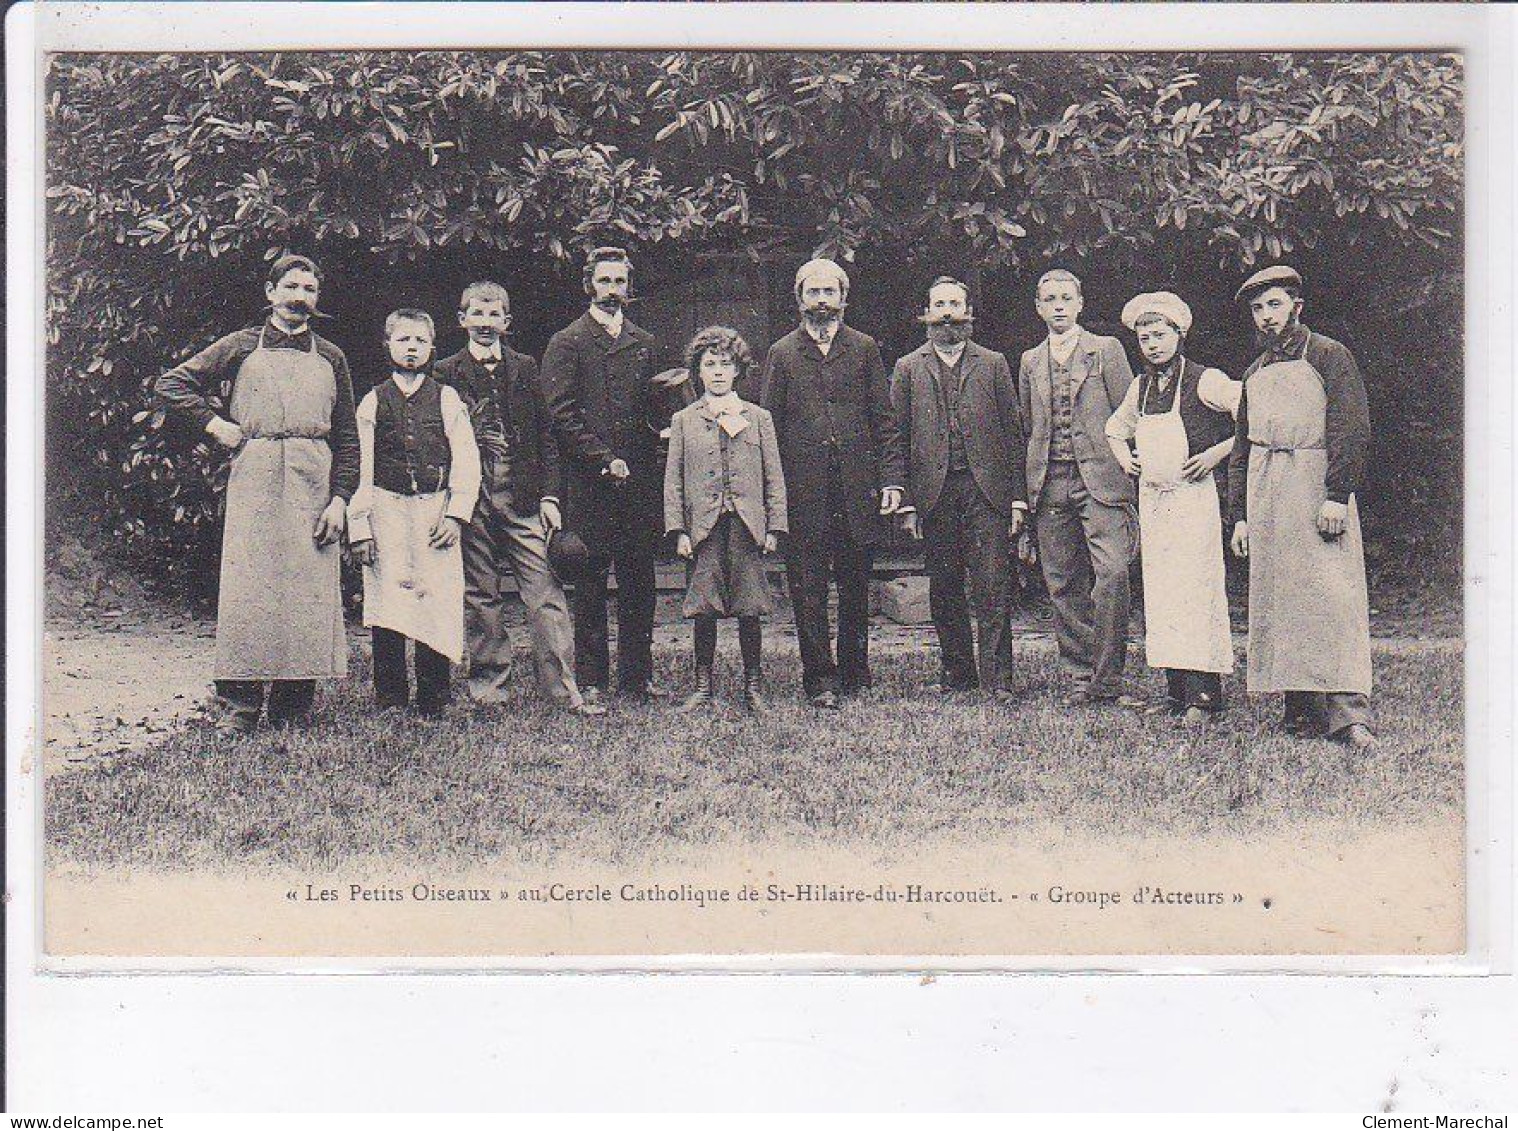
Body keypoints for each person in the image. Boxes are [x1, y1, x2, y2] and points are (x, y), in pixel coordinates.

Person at [155, 253, 358, 732]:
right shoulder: (240, 346)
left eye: (308, 290)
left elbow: (347, 437)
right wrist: (214, 424)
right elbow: (173, 384)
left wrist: (340, 499)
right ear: (269, 293)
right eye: (290, 287)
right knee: (250, 586)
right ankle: (240, 706)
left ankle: (293, 705)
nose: (298, 299)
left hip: (313, 478)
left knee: (306, 589)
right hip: (256, 475)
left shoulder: (331, 355)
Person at [432, 282, 605, 717]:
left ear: (507, 322)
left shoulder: (526, 367)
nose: (486, 323)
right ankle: (490, 688)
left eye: (495, 315)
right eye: (478, 314)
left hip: (523, 491)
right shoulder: (446, 372)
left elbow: (547, 437)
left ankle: (564, 690)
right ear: (463, 320)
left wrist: (549, 495)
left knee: (544, 592)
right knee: (481, 593)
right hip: (470, 494)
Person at [1227, 266, 1375, 750]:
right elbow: (1242, 448)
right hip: (1268, 489)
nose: (1266, 317)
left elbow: (1351, 427)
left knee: (1333, 594)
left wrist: (1337, 493)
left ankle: (1349, 715)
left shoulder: (1330, 355)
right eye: (1257, 309)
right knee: (1284, 596)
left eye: (1274, 305)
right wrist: (1241, 515)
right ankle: (1302, 710)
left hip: (1316, 483)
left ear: (1296, 306)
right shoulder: (1255, 372)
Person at [759, 257, 906, 709]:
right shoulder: (782, 353)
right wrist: (774, 496)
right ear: (800, 300)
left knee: (855, 583)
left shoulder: (863, 349)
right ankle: (819, 677)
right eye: (813, 293)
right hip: (804, 494)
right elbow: (769, 428)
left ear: (844, 299)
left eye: (830, 293)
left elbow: (885, 422)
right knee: (808, 586)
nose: (822, 302)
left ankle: (855, 671)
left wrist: (891, 481)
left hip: (856, 490)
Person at [540, 246, 671, 703]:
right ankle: (593, 679)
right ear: (589, 285)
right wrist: (601, 458)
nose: (612, 289)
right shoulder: (567, 341)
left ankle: (637, 678)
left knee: (640, 580)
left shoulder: (646, 342)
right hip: (588, 482)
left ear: (628, 287)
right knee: (591, 581)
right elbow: (560, 414)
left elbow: (654, 408)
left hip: (636, 483)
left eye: (619, 281)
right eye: (604, 281)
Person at [889, 276, 1027, 702]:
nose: (947, 312)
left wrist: (1017, 496)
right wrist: (907, 501)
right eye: (939, 305)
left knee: (992, 584)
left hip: (987, 492)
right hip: (935, 493)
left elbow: (1014, 432)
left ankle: (998, 680)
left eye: (954, 304)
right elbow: (897, 436)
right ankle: (957, 673)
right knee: (945, 585)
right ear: (927, 313)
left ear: (968, 312)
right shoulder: (908, 367)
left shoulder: (993, 363)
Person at [1106, 292, 1240, 722]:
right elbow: (1115, 429)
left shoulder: (1204, 379)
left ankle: (1204, 697)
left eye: (1160, 335)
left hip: (1192, 501)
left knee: (1194, 591)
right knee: (1163, 594)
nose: (1152, 344)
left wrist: (1217, 454)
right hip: (1155, 502)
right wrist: (1126, 458)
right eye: (1144, 338)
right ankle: (1177, 693)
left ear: (1179, 335)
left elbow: (1253, 414)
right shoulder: (1139, 386)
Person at [1018, 269, 1142, 706]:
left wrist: (1131, 467)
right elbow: (1029, 425)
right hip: (1050, 482)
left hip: (1102, 480)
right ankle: (1078, 673)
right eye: (1049, 299)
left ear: (1080, 304)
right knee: (1062, 580)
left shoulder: (1106, 350)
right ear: (1038, 307)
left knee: (1111, 575)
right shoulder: (1031, 360)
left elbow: (1131, 414)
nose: (1058, 306)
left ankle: (1108, 679)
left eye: (1065, 299)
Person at [347, 310, 480, 713]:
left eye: (419, 341)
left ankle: (434, 696)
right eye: (403, 340)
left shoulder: (446, 398)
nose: (411, 348)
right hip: (385, 511)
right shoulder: (373, 400)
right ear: (387, 345)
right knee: (389, 602)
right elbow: (361, 466)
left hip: (433, 512)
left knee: (435, 601)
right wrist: (360, 528)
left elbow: (466, 460)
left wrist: (456, 515)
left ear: (431, 348)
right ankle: (390, 697)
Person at [664, 327, 788, 711]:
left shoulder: (758, 417)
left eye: (726, 364)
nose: (718, 372)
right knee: (705, 605)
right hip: (704, 527)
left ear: (739, 370)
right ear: (697, 371)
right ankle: (703, 685)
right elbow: (674, 478)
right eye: (709, 364)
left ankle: (753, 686)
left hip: (747, 525)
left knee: (750, 606)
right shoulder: (684, 419)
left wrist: (774, 525)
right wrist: (679, 529)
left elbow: (773, 474)